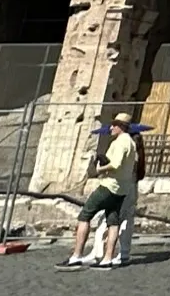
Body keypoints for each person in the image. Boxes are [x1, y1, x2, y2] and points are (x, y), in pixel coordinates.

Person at [58, 111, 137, 269]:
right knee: (113, 221)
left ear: (121, 126)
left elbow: (115, 164)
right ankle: (107, 259)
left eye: (114, 125)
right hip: (122, 188)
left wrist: (99, 170)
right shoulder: (131, 143)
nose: (111, 127)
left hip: (109, 185)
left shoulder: (121, 142)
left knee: (85, 215)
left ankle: (76, 255)